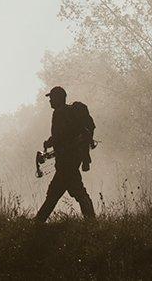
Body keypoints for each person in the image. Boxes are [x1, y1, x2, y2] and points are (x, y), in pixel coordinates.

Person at [34, 85, 96, 222]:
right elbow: (67, 135)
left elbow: (61, 135)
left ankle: (37, 223)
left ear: (58, 98)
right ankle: (92, 222)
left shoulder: (59, 113)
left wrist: (49, 142)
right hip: (71, 160)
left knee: (56, 193)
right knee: (75, 191)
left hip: (66, 162)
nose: (50, 101)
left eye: (51, 98)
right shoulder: (68, 112)